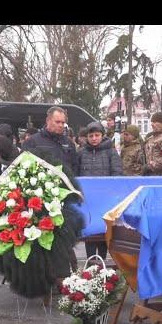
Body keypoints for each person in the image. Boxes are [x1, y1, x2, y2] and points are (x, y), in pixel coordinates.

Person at [78, 121, 122, 260]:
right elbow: (77, 173)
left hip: (105, 199)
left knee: (103, 231)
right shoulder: (82, 152)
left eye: (97, 135)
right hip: (88, 200)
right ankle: (90, 262)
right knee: (90, 231)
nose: (94, 138)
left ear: (102, 135)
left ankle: (102, 262)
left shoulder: (111, 151)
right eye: (91, 136)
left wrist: (113, 192)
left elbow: (117, 172)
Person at [22, 106, 79, 174]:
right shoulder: (32, 142)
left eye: (63, 123)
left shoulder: (69, 144)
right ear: (48, 121)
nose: (61, 125)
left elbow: (75, 168)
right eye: (57, 122)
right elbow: (24, 167)